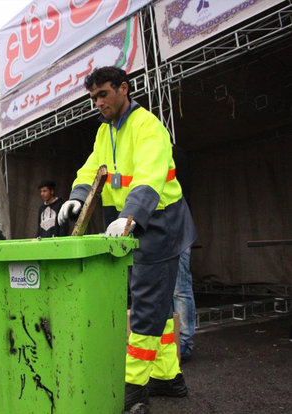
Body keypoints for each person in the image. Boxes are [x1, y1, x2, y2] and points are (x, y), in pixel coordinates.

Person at [57, 67, 197, 411]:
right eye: (93, 98)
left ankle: (133, 390)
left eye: (103, 94)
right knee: (159, 307)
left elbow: (149, 176)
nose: (98, 103)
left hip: (158, 224)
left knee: (147, 308)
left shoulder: (148, 126)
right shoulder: (106, 133)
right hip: (136, 226)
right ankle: (168, 377)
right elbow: (93, 168)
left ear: (124, 88)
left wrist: (129, 216)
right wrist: (77, 194)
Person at [172, 145, 196, 363]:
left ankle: (185, 343)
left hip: (177, 229)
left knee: (180, 289)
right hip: (161, 233)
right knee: (169, 290)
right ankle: (174, 341)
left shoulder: (176, 154)